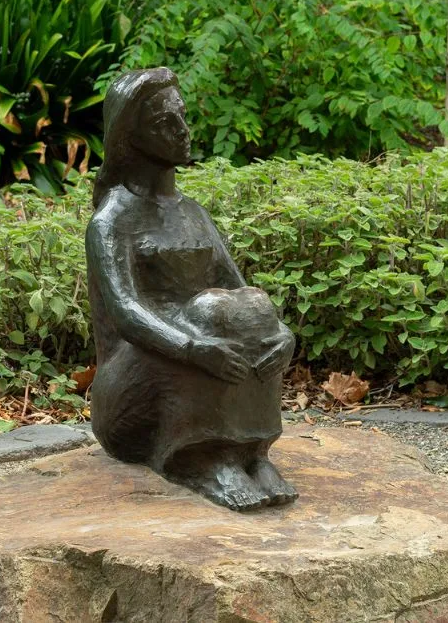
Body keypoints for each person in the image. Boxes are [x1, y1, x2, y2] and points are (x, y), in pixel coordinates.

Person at [85, 67, 298, 511]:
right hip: (134, 395)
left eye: (182, 116)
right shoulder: (112, 220)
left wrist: (283, 338)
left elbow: (242, 294)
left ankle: (251, 452)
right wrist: (192, 347)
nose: (183, 132)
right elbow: (126, 314)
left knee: (252, 304)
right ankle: (199, 457)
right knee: (206, 313)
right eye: (165, 123)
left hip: (199, 355)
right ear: (129, 136)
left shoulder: (194, 213)